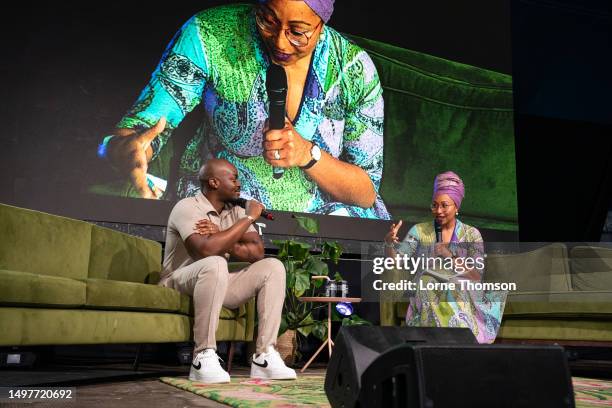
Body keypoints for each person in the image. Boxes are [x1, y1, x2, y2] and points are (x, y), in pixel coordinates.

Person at [100, 0, 389, 219]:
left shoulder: (355, 69)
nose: (279, 41)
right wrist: (128, 151)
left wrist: (307, 155)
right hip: (226, 209)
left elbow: (365, 192)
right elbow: (140, 128)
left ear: (322, 23)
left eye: (298, 32)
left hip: (322, 221)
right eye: (267, 20)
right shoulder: (210, 35)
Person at [159, 158, 296, 383]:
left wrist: (224, 233)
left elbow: (256, 252)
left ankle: (264, 356)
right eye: (233, 178)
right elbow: (206, 249)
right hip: (178, 280)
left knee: (272, 266)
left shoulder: (234, 212)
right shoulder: (188, 207)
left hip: (216, 281)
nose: (238, 184)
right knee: (215, 262)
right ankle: (202, 356)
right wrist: (250, 217)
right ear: (213, 182)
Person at [384, 171, 506, 343]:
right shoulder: (419, 231)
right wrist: (389, 244)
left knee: (455, 284)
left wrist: (450, 256)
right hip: (428, 285)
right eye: (434, 205)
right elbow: (395, 261)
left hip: (462, 286)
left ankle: (457, 343)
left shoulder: (472, 235)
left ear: (456, 206)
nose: (438, 211)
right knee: (427, 282)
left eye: (444, 205)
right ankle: (431, 344)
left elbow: (476, 275)